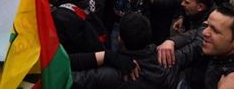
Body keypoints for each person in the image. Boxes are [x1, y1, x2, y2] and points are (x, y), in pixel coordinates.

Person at [71, 12, 204, 89]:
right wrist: (173, 41)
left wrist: (105, 56)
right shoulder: (170, 61)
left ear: (119, 39)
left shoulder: (110, 74)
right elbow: (202, 36)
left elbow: (60, 75)